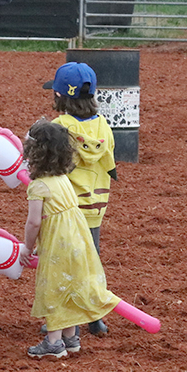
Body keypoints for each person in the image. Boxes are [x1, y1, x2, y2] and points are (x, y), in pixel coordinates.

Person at [17, 120, 119, 360]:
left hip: (57, 245)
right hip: (78, 242)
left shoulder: (38, 186)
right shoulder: (64, 180)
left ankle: (54, 343)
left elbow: (34, 222)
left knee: (53, 288)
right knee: (70, 286)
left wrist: (27, 247)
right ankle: (71, 337)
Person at [44, 61, 117, 337]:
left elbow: (52, 166)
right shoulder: (103, 126)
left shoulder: (58, 127)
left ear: (60, 96)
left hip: (67, 209)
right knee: (91, 261)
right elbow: (109, 161)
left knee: (64, 263)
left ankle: (63, 318)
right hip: (95, 207)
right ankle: (95, 317)